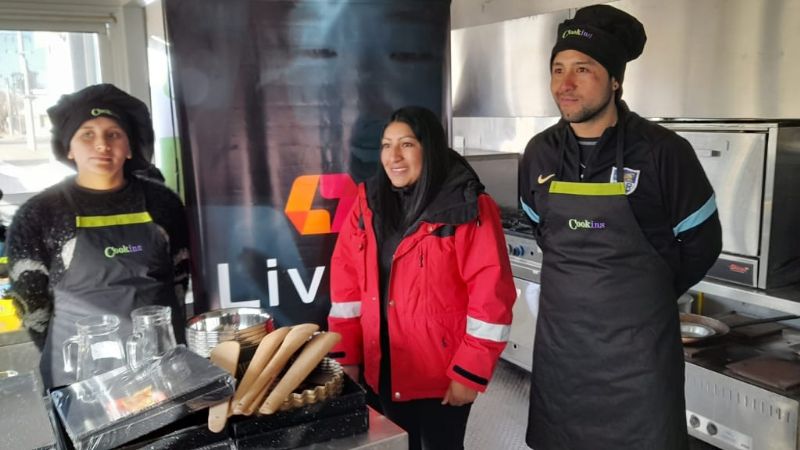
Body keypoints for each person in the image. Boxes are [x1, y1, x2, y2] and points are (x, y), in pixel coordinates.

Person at [519, 5, 722, 449]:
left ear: (614, 79)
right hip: (563, 356)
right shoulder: (539, 154)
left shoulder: (665, 153)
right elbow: (541, 229)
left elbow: (703, 244)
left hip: (639, 360)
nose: (564, 85)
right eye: (557, 69)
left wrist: (640, 294)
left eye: (583, 69)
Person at [328, 106, 516, 450]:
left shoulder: (467, 206)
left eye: (407, 144)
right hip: (379, 366)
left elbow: (492, 299)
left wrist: (468, 373)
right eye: (386, 145)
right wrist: (346, 356)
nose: (393, 157)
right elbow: (347, 289)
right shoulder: (367, 203)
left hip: (441, 376)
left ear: (429, 148)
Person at [6, 84, 191, 388]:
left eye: (114, 134)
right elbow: (32, 304)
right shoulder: (39, 213)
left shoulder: (163, 204)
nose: (102, 145)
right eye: (87, 134)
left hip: (162, 368)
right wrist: (70, 359)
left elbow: (179, 282)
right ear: (69, 148)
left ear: (129, 148)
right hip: (81, 380)